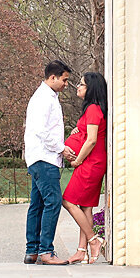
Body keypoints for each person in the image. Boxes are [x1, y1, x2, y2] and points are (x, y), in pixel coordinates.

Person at [24, 60, 72, 265]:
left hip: (39, 158)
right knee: (53, 202)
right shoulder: (44, 98)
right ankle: (46, 251)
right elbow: (41, 130)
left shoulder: (46, 97)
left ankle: (32, 251)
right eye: (64, 79)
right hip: (45, 158)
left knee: (37, 204)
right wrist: (61, 148)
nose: (66, 84)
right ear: (52, 77)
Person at [61, 71, 108, 264]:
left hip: (91, 162)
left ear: (91, 89)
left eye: (82, 84)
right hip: (93, 161)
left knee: (68, 201)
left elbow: (91, 140)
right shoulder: (92, 110)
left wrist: (77, 161)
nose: (78, 87)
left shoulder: (93, 109)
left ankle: (93, 240)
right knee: (85, 207)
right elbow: (88, 133)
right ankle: (82, 250)